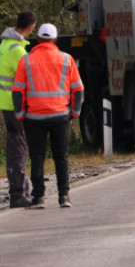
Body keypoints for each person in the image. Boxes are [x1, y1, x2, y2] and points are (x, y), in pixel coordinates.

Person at [12, 22, 83, 209]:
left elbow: (17, 91)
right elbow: (78, 89)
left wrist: (20, 114)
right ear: (55, 39)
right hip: (61, 116)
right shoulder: (67, 59)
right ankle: (64, 196)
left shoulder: (26, 60)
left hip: (34, 117)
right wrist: (74, 112)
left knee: (37, 157)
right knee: (61, 156)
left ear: (37, 39)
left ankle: (38, 198)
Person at [1, 11, 36, 208]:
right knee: (19, 147)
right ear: (31, 27)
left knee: (16, 145)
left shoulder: (5, 44)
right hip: (16, 105)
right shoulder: (17, 51)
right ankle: (18, 193)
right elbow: (30, 77)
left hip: (6, 104)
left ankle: (20, 189)